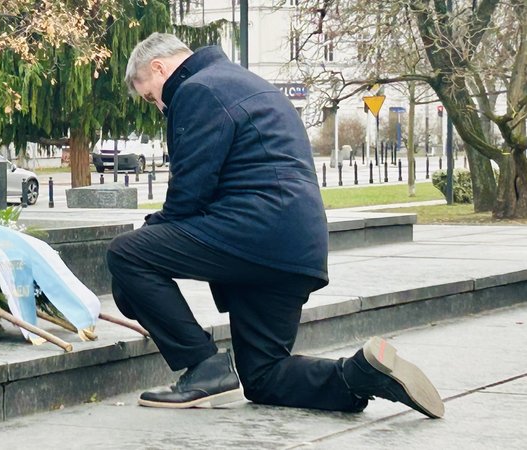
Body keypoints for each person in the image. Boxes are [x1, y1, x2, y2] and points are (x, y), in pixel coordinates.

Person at [106, 33, 444, 418]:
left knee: (126, 252)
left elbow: (189, 193)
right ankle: (359, 375)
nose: (160, 107)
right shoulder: (246, 83)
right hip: (293, 245)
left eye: (152, 96)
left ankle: (204, 365)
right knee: (264, 375)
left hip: (256, 232)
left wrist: (133, 261)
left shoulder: (196, 90)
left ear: (159, 67)